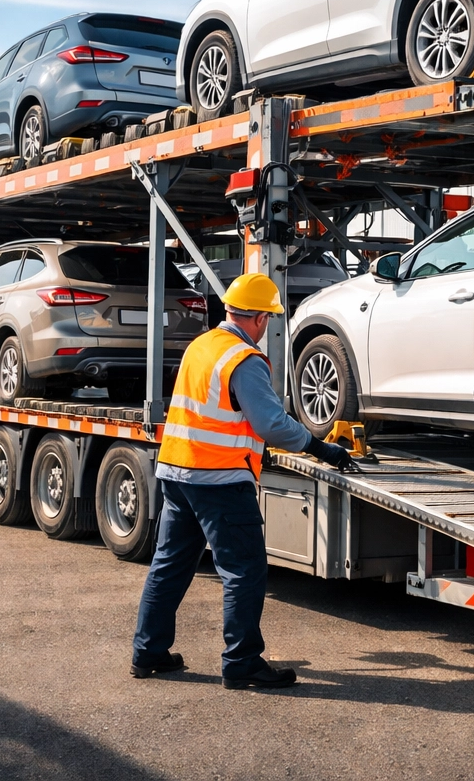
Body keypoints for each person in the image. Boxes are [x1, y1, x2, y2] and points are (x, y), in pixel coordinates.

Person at [132, 273, 355, 690]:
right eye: (267, 318)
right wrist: (319, 446)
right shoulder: (244, 358)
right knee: (244, 571)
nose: (266, 326)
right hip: (220, 479)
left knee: (170, 566)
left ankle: (148, 652)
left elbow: (216, 412)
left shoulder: (203, 346)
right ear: (255, 318)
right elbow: (271, 423)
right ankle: (242, 662)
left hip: (178, 471)